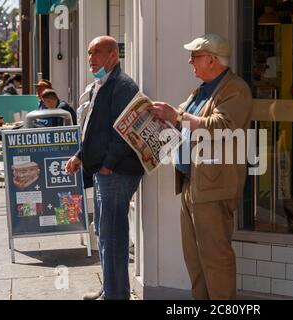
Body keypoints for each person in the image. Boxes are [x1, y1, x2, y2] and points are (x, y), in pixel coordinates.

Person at [150, 34, 253, 300]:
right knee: (195, 259)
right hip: (191, 184)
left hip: (214, 187)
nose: (190, 61)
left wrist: (177, 115)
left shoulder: (235, 88)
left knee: (215, 259)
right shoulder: (202, 89)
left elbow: (223, 127)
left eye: (194, 56)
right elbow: (183, 120)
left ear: (212, 59)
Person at [65, 36, 144, 300]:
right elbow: (95, 131)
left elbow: (125, 131)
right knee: (103, 231)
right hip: (104, 171)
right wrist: (79, 156)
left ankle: (115, 294)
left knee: (112, 236)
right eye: (89, 53)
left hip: (117, 173)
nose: (91, 58)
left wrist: (108, 165)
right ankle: (111, 288)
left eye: (97, 52)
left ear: (113, 55)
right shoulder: (102, 84)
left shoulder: (122, 86)